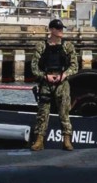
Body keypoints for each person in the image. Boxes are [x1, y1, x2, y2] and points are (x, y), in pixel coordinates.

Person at [28, 18, 76, 151]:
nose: (61, 31)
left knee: (64, 112)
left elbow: (74, 66)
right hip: (46, 82)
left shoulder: (68, 46)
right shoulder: (41, 46)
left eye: (62, 29)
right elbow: (34, 67)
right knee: (43, 112)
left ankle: (66, 140)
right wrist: (45, 76)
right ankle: (39, 140)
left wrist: (64, 75)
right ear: (52, 30)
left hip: (62, 82)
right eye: (58, 29)